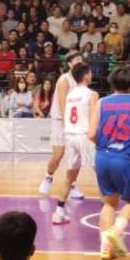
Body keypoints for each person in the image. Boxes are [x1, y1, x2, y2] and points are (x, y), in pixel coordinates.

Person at [92, 65, 130, 259]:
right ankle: (115, 231)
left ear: (111, 82)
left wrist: (106, 143)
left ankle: (105, 247)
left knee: (109, 204)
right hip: (124, 158)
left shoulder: (101, 103)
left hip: (102, 156)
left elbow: (92, 134)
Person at [52, 64, 97, 225]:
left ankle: (58, 212)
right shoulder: (92, 94)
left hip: (70, 135)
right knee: (101, 173)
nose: (92, 75)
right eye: (90, 72)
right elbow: (93, 118)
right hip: (84, 135)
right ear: (86, 76)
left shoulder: (70, 95)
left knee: (69, 177)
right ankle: (110, 210)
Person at [39, 53, 86, 200]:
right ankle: (48, 177)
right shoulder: (64, 80)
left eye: (81, 60)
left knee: (75, 157)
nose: (80, 63)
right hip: (60, 121)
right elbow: (62, 103)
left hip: (75, 122)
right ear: (70, 64)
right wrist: (68, 124)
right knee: (58, 155)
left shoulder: (82, 81)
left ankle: (72, 187)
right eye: (77, 60)